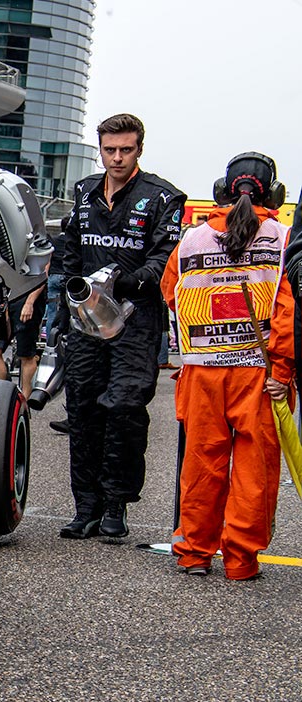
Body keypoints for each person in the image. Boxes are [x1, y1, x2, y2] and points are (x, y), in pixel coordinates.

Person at [161, 153, 293, 580]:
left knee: (202, 464)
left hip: (202, 371)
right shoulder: (284, 239)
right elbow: (290, 314)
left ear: (221, 190)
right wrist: (283, 373)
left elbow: (171, 293)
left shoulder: (192, 240)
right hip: (260, 374)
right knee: (255, 470)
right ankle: (240, 561)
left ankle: (194, 553)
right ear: (275, 194)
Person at [58, 114, 186, 540]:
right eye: (109, 150)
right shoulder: (84, 191)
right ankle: (86, 507)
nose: (116, 157)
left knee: (125, 407)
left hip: (136, 319)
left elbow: (164, 260)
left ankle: (116, 503)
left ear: (139, 150)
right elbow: (71, 253)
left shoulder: (163, 196)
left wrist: (122, 283)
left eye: (125, 150)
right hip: (84, 319)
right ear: (100, 149)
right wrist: (65, 310)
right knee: (82, 409)